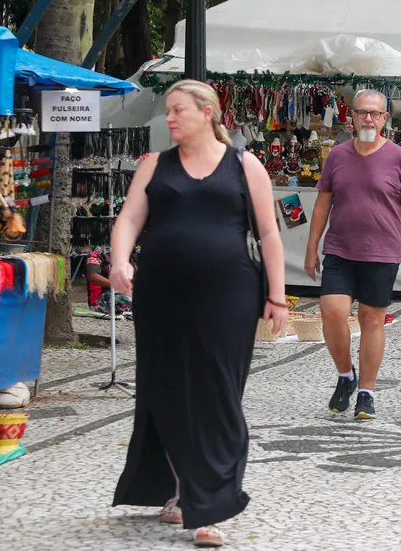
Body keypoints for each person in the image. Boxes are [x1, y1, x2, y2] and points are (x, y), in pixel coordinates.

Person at [110, 80, 288, 549]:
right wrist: (120, 260)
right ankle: (183, 490)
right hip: (161, 296)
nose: (169, 119)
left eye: (178, 111)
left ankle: (211, 503)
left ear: (207, 112)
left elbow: (269, 234)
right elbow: (129, 219)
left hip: (228, 295)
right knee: (165, 389)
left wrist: (278, 297)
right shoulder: (154, 165)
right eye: (168, 111)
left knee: (218, 393)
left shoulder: (244, 164)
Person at [305, 89, 401, 420]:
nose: (369, 119)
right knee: (332, 313)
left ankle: (366, 392)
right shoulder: (338, 156)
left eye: (375, 113)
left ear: (385, 119)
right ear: (353, 117)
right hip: (340, 249)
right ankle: (346, 376)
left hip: (381, 251)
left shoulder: (399, 157)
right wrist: (311, 248)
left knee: (372, 319)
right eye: (363, 113)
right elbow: (322, 204)